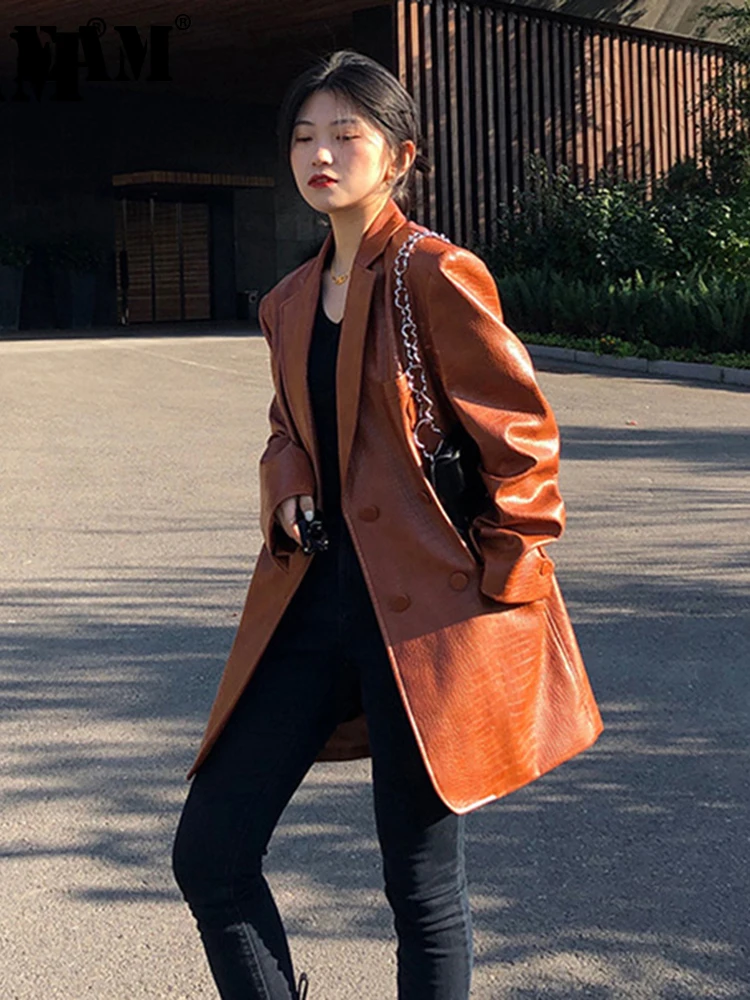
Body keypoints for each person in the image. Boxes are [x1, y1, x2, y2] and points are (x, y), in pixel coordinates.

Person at [172, 48, 603, 1000]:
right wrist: (286, 476)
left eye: (345, 135)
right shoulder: (288, 301)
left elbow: (523, 440)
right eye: (303, 138)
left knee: (420, 886)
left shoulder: (437, 272)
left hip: (424, 619)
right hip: (310, 608)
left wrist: (503, 582)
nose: (320, 154)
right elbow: (289, 423)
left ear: (400, 155)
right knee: (210, 851)